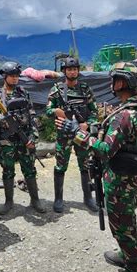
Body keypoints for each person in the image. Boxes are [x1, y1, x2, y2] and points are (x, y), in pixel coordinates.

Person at [56, 56, 137, 272]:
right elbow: (114, 137)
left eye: (115, 79)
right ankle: (126, 254)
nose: (112, 84)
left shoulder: (125, 115)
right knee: (125, 220)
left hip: (121, 179)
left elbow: (104, 150)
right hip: (129, 175)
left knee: (123, 225)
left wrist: (77, 133)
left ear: (123, 82)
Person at [0, 61, 46, 214]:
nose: (15, 79)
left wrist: (33, 137)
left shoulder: (23, 93)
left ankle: (35, 200)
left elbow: (32, 115)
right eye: (12, 76)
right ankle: (8, 202)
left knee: (29, 169)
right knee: (7, 170)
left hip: (24, 137)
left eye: (17, 76)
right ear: (4, 76)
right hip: (6, 140)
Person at [46, 56, 98, 213]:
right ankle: (58, 199)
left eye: (75, 69)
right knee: (61, 166)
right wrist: (55, 111)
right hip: (64, 135)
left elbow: (94, 111)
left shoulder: (85, 89)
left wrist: (86, 124)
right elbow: (48, 110)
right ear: (64, 71)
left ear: (78, 71)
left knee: (86, 166)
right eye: (69, 69)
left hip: (81, 134)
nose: (73, 71)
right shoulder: (57, 90)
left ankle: (88, 198)